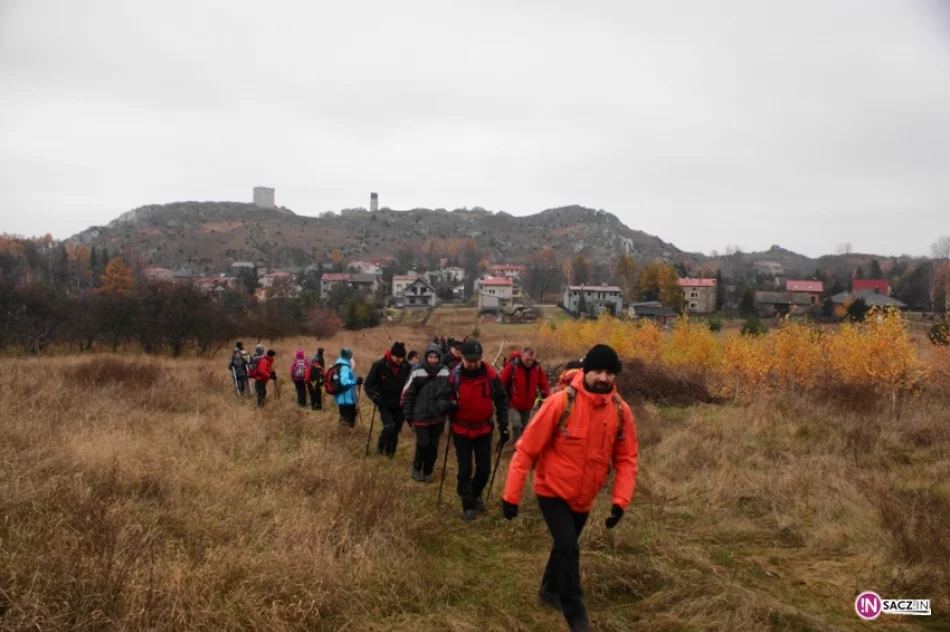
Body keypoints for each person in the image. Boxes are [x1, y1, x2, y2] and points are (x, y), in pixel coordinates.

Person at [501, 344, 639, 632]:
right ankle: (575, 612)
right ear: (586, 372)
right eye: (598, 371)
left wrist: (620, 501)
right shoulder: (560, 403)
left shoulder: (620, 411)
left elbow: (626, 460)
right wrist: (511, 494)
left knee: (564, 547)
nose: (603, 378)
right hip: (551, 489)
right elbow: (526, 450)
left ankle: (548, 590)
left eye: (609, 373)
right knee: (568, 547)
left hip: (585, 496)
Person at [445, 339, 509, 520]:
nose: (473, 364)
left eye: (476, 360)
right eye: (470, 360)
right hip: (461, 430)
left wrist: (504, 426)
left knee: (484, 470)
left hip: (483, 429)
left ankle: (474, 493)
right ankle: (468, 504)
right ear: (462, 358)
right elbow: (442, 397)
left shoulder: (490, 375)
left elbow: (501, 400)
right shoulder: (454, 375)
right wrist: (446, 405)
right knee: (465, 470)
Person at [401, 343, 451, 482]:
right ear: (426, 357)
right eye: (430, 357)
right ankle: (417, 469)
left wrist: (449, 407)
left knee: (433, 446)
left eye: (435, 357)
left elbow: (449, 392)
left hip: (438, 416)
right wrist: (408, 414)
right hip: (420, 415)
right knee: (423, 444)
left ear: (439, 358)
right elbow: (407, 393)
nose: (433, 360)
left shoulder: (445, 371)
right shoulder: (417, 371)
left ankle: (428, 471)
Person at [365, 342, 411, 458]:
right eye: (397, 357)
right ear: (391, 355)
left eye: (402, 357)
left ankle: (390, 453)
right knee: (388, 426)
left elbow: (411, 383)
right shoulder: (379, 365)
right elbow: (368, 384)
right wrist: (373, 395)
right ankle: (380, 448)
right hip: (384, 402)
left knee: (396, 429)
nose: (400, 360)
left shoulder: (406, 366)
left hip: (400, 403)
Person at [501, 347, 551, 441]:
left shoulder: (537, 368)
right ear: (522, 356)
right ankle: (518, 449)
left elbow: (543, 383)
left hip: (528, 404)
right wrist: (501, 400)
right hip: (513, 403)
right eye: (527, 360)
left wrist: (547, 396)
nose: (529, 362)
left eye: (531, 360)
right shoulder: (512, 366)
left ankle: (519, 443)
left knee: (524, 427)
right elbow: (502, 383)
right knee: (517, 425)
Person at [332, 347, 362, 427]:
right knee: (348, 420)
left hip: (343, 398)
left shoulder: (339, 364)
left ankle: (343, 434)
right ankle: (345, 436)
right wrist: (355, 382)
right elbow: (344, 382)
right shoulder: (345, 367)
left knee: (344, 419)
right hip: (346, 399)